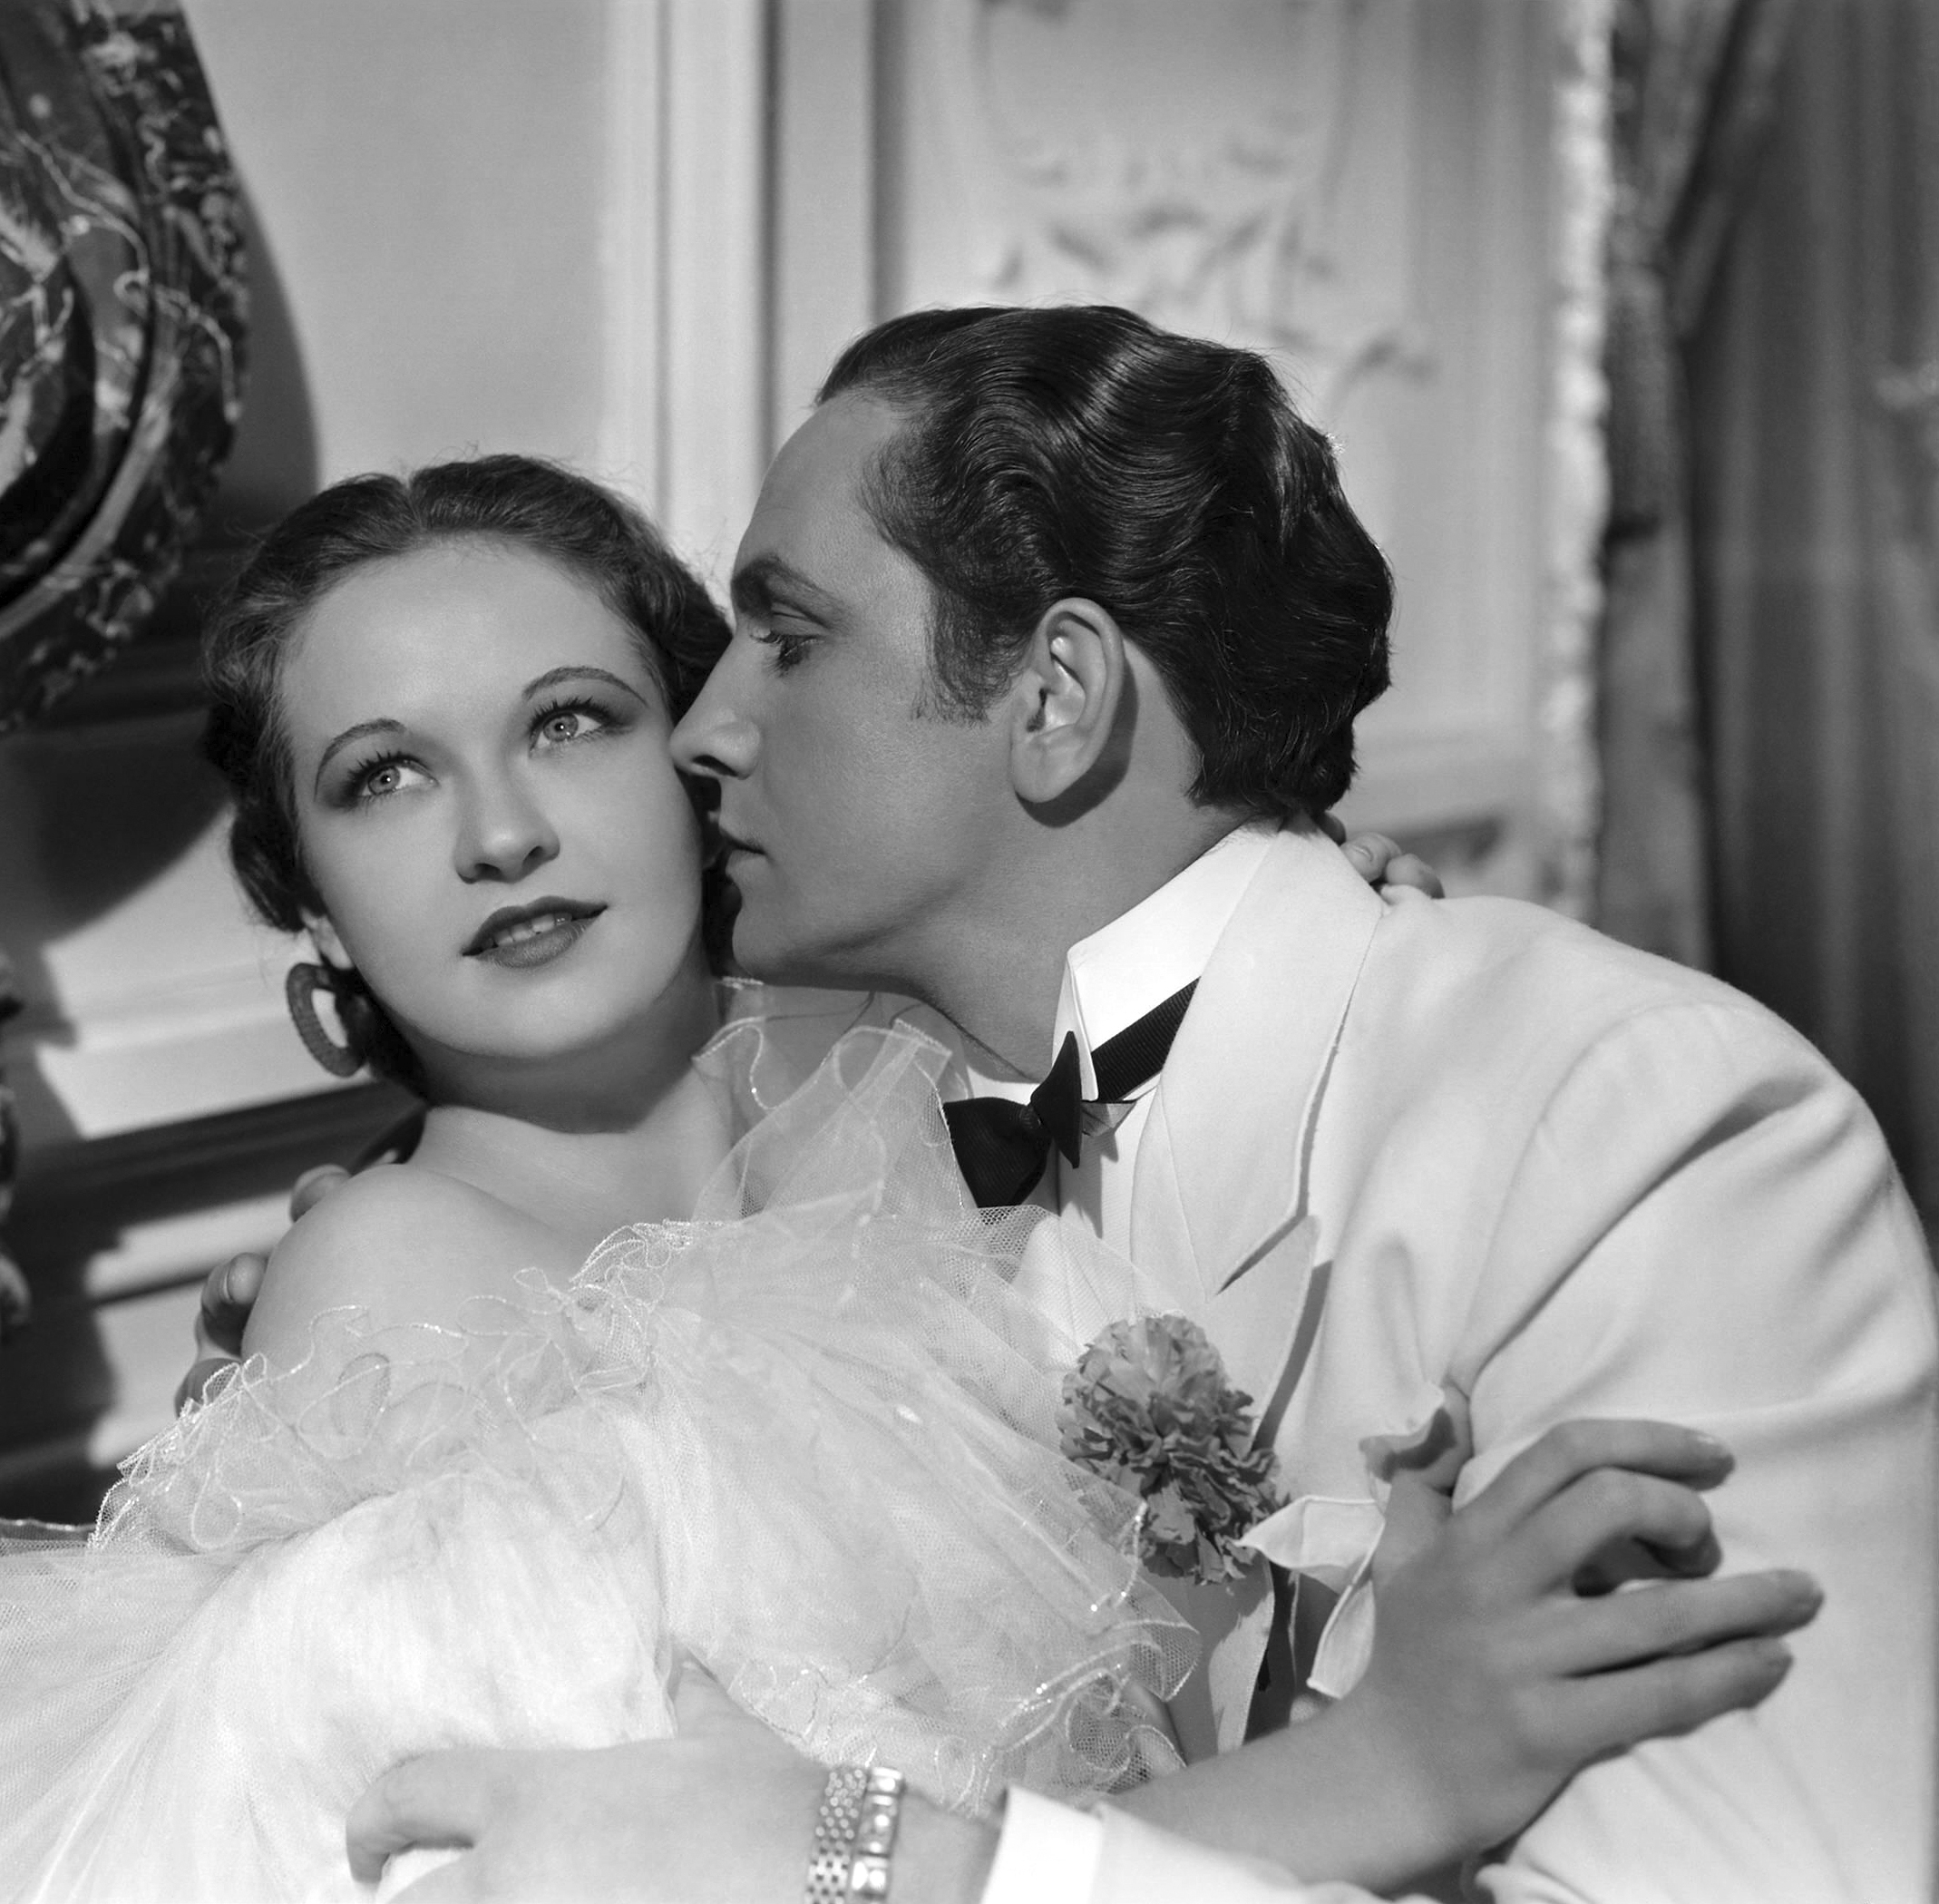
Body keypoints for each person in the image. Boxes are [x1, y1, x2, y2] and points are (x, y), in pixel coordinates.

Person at [0, 458, 1808, 1904]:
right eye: (385, 777)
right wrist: (1375, 1777)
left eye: (570, 723)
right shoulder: (402, 1293)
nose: (499, 834)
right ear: (317, 911)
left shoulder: (927, 1109)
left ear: (710, 753)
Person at [200, 311, 1938, 1903]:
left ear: (1054, 697)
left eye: (780, 644)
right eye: (383, 774)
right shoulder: (487, 1261)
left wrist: (877, 1864)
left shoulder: (1620, 1132)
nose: (704, 736)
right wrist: (1363, 1777)